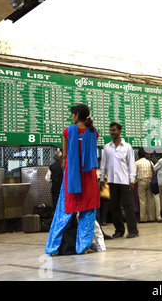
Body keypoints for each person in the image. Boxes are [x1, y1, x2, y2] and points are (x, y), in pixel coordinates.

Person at [45, 104, 101, 255]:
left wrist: (65, 163)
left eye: (72, 115)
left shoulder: (67, 131)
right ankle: (82, 248)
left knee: (63, 212)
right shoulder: (93, 132)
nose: (72, 117)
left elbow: (64, 156)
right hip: (89, 177)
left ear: (76, 115)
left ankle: (52, 248)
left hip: (72, 177)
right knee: (88, 214)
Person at [100, 122, 139, 239]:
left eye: (114, 130)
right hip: (112, 181)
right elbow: (104, 164)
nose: (112, 132)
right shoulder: (107, 148)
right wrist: (102, 178)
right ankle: (119, 230)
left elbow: (131, 164)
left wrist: (132, 180)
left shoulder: (127, 147)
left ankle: (133, 230)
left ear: (120, 131)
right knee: (114, 206)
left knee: (128, 206)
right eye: (111, 130)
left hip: (124, 181)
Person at [135, 148, 156, 222]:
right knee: (150, 200)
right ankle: (152, 217)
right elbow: (154, 171)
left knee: (142, 200)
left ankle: (143, 218)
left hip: (141, 182)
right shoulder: (150, 162)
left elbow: (134, 174)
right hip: (150, 182)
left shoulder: (136, 163)